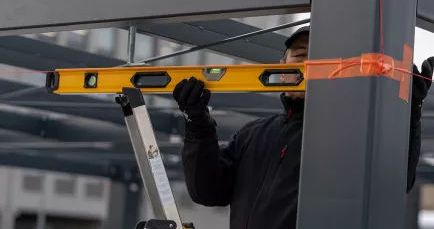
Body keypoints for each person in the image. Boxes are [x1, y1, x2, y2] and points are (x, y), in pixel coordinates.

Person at [172, 26, 434, 229]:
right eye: (300, 56)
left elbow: (396, 181)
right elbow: (207, 191)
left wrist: (409, 115)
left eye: (319, 59)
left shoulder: (350, 133)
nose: (308, 66)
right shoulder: (253, 134)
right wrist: (197, 122)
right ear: (282, 67)